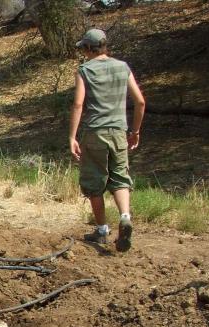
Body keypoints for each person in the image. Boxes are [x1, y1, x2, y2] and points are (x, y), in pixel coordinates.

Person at [68, 27, 146, 252]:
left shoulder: (84, 70)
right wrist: (135, 131)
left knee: (94, 183)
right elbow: (140, 102)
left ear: (88, 49)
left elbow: (78, 105)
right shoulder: (122, 67)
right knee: (120, 177)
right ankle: (125, 216)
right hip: (119, 132)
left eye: (83, 48)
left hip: (95, 133)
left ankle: (102, 230)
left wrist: (72, 136)